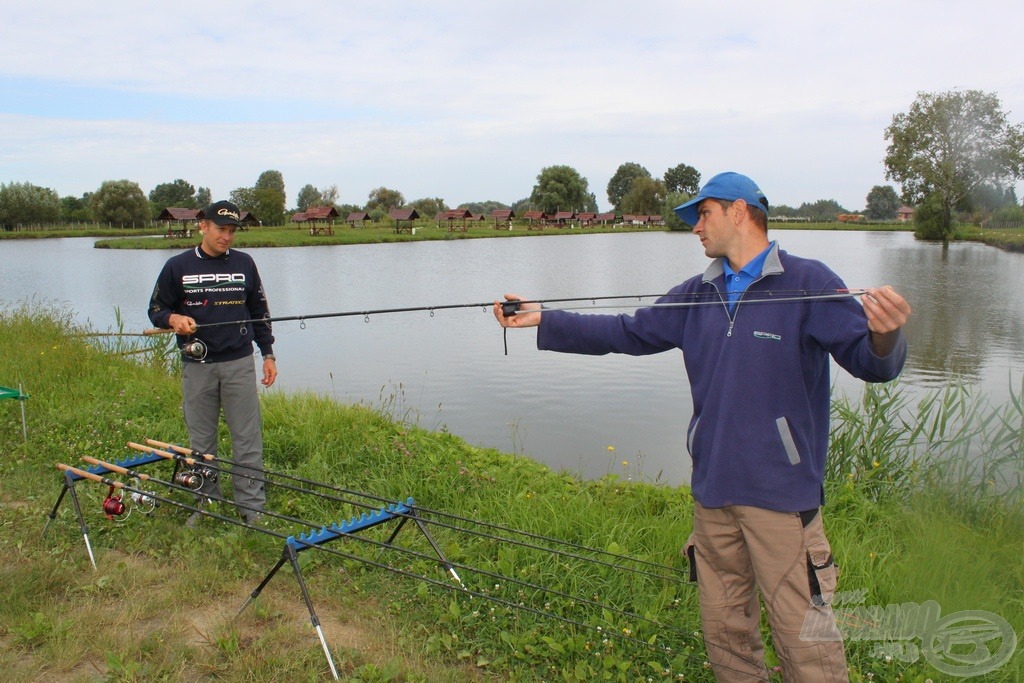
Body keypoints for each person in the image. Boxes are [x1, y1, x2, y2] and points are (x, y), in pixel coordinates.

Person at [494, 172, 911, 682]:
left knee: (808, 646)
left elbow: (873, 363)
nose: (695, 227)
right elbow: (628, 331)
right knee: (726, 636)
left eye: (703, 213)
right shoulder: (698, 292)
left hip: (781, 498)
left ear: (739, 211)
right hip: (713, 494)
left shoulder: (810, 282)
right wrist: (544, 318)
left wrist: (886, 336)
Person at [148, 200, 277, 526]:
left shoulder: (245, 264)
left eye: (232, 231)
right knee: (202, 442)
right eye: (222, 229)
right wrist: (174, 317)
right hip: (198, 365)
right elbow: (156, 310)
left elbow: (259, 313)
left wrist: (268, 354)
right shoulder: (177, 266)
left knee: (247, 440)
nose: (227, 237)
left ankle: (252, 510)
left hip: (239, 362)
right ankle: (205, 504)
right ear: (203, 225)